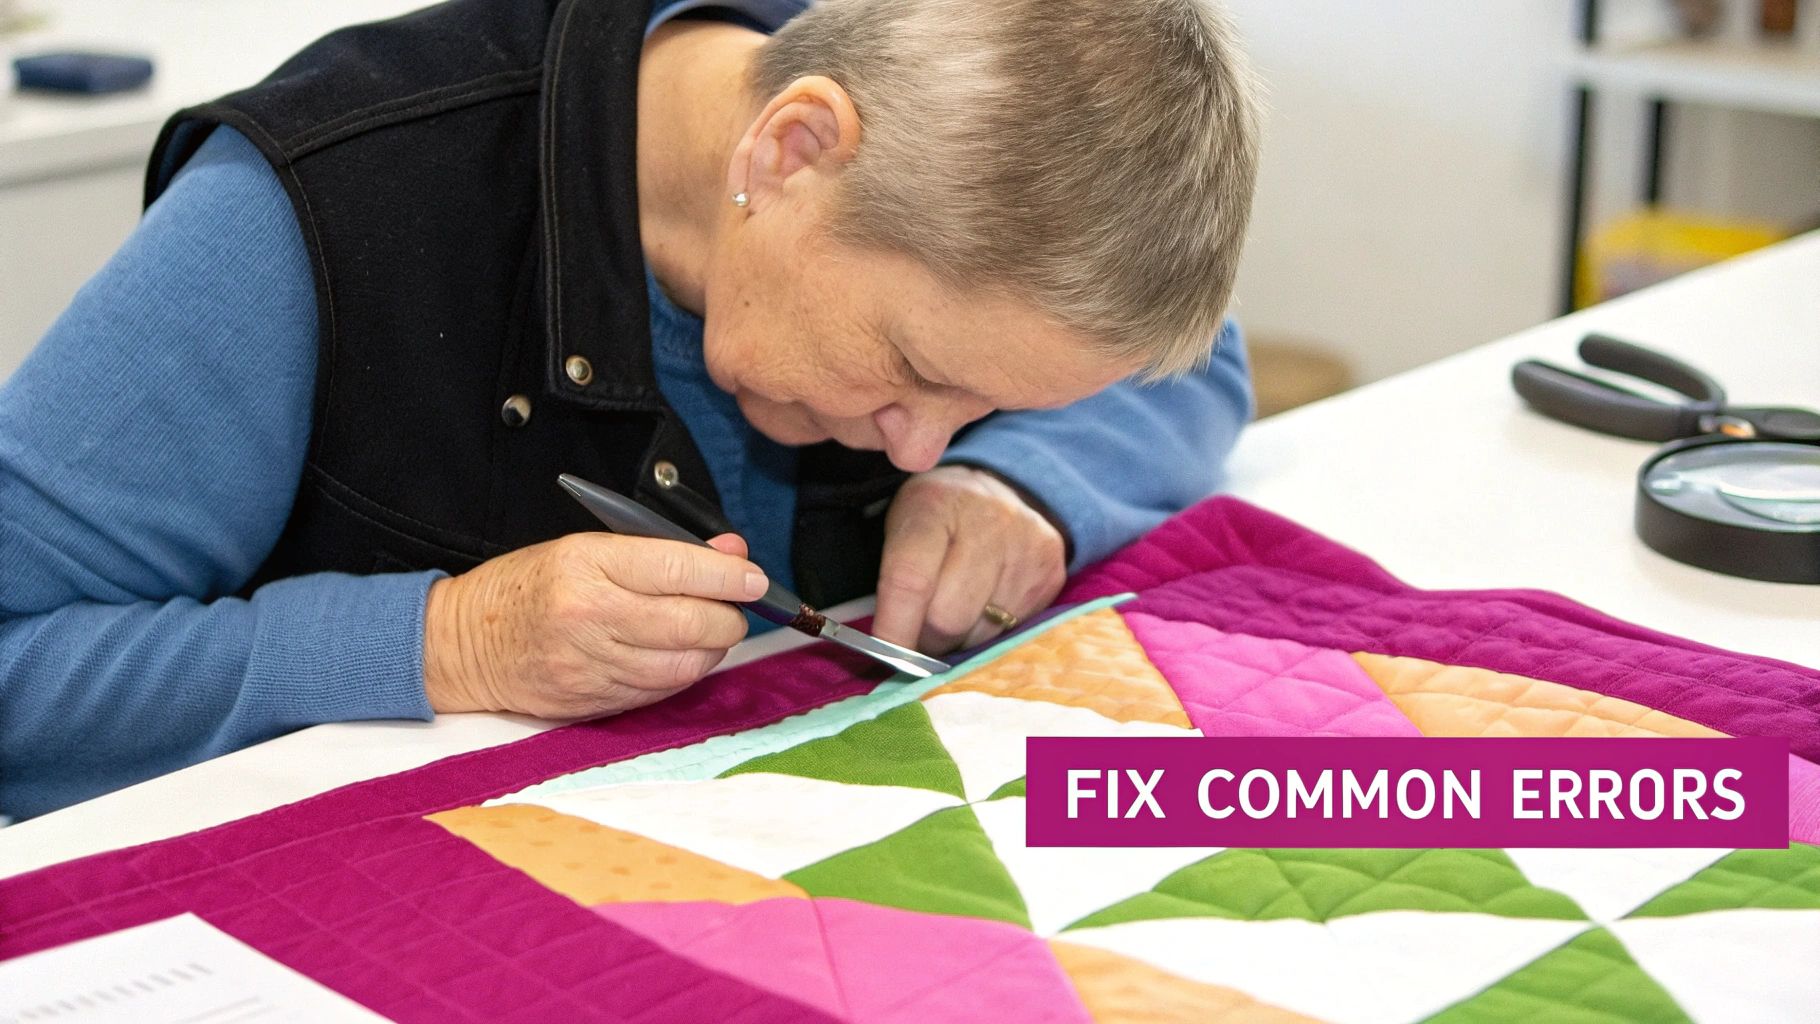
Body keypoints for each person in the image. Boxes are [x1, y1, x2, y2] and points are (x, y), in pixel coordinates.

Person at [0, 0, 1260, 819]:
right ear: (788, 153)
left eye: (985, 404)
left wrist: (1017, 482)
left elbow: (1185, 367)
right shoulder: (321, 205)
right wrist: (444, 640)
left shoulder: (909, 153)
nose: (923, 441)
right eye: (910, 368)